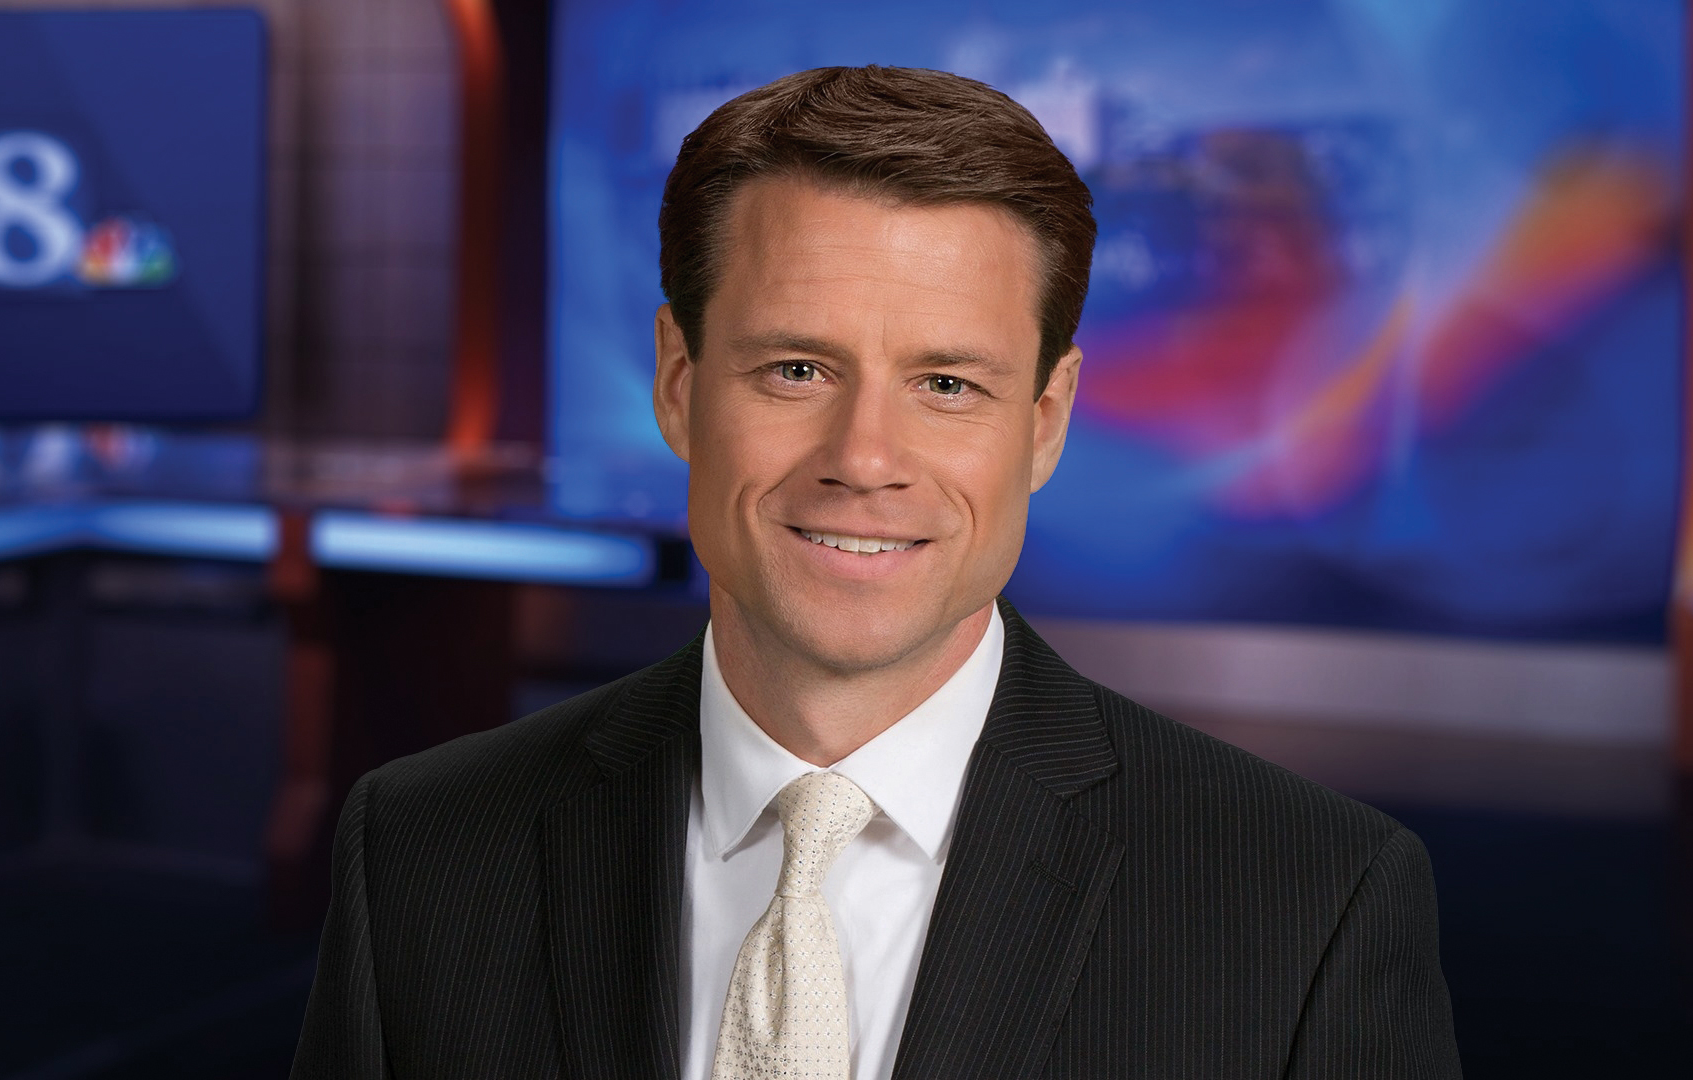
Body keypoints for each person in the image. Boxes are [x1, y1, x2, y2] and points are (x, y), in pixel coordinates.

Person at [291, 66, 1461, 1080]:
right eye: (796, 369)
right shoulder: (423, 851)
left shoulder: (1312, 904)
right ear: (680, 385)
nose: (863, 459)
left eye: (947, 385)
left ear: (1045, 422)